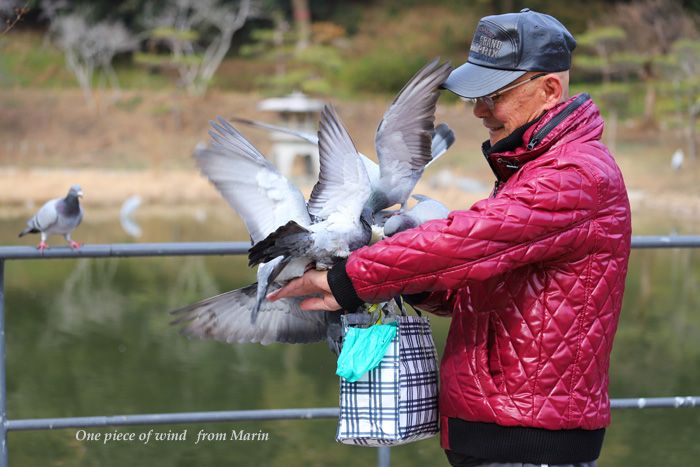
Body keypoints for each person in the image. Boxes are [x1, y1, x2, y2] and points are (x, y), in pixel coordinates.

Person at [269, 8, 631, 467]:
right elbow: (477, 289)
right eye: (473, 97)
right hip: (499, 430)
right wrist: (411, 280)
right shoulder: (531, 171)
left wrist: (349, 279)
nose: (478, 110)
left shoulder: (574, 176)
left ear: (549, 90)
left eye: (493, 95)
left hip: (529, 440)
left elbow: (464, 241)